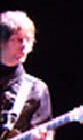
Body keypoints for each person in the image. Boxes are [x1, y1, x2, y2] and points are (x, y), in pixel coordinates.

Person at [1, 10, 53, 140]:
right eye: (18, 40)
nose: (24, 46)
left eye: (28, 40)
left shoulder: (37, 89)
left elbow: (45, 133)